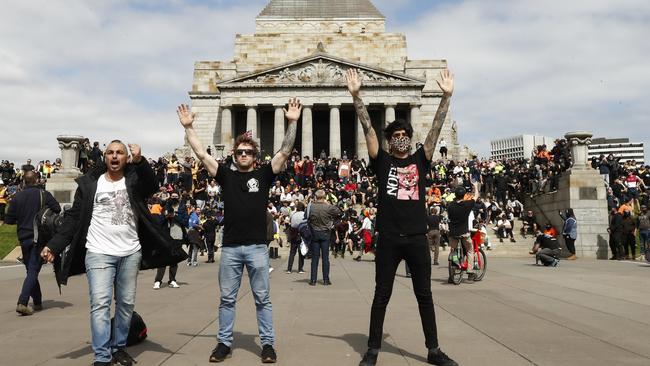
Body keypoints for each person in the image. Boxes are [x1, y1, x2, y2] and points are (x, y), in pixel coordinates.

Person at [40, 141, 187, 366]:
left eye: (120, 153)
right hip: (98, 251)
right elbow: (73, 219)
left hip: (130, 252)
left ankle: (118, 347)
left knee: (126, 304)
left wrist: (140, 161)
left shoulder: (134, 180)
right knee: (100, 303)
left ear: (126, 158)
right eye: (110, 152)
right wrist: (54, 245)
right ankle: (102, 356)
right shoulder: (90, 184)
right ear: (105, 157)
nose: (115, 156)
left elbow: (152, 184)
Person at [347, 68, 457, 366]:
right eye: (395, 136)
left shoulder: (421, 159)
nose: (399, 139)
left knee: (425, 295)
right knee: (381, 295)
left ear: (410, 138)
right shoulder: (381, 162)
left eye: (404, 135)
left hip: (417, 238)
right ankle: (371, 351)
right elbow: (368, 129)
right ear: (389, 140)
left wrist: (446, 97)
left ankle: (433, 350)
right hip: (390, 238)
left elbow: (435, 128)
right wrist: (356, 96)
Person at [177, 98, 301, 363]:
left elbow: (285, 151)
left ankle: (267, 344)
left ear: (256, 157)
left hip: (257, 247)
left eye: (248, 152)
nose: (243, 154)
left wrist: (292, 122)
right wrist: (188, 128)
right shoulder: (226, 176)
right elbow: (201, 154)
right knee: (227, 300)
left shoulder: (265, 175)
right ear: (234, 156)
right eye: (239, 152)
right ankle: (223, 343)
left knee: (263, 299)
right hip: (232, 247)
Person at [5, 171, 61, 316]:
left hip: (23, 237)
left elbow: (9, 219)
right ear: (37, 181)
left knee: (31, 269)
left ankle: (37, 301)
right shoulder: (44, 194)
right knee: (33, 271)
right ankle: (22, 302)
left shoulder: (17, 197)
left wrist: (22, 218)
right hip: (39, 238)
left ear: (24, 181)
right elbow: (57, 209)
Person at [307, 189, 342, 286]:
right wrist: (327, 203)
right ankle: (326, 279)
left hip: (314, 232)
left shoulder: (311, 207)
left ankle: (313, 280)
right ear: (324, 197)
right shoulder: (328, 207)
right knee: (325, 258)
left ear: (316, 197)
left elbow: (307, 216)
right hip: (325, 233)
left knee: (314, 258)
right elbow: (339, 212)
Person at [447, 183, 480, 282]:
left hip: (453, 232)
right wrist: (475, 186)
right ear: (464, 195)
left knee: (453, 251)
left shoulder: (450, 205)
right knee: (470, 250)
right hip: (464, 232)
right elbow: (476, 196)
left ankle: (452, 272)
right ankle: (470, 272)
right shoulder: (467, 204)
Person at [286, 202, 307, 274]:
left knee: (292, 252)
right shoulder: (304, 214)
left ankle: (289, 269)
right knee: (301, 251)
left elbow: (290, 223)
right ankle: (300, 269)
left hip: (293, 233)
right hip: (302, 233)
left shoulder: (293, 214)